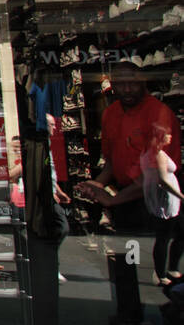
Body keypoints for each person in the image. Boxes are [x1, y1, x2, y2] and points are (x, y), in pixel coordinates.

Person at [77, 63, 180, 233]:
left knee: (149, 253)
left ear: (143, 83)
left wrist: (112, 200)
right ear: (112, 85)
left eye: (132, 83)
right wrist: (95, 185)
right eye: (120, 84)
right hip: (125, 200)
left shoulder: (158, 113)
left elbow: (154, 177)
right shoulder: (110, 113)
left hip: (154, 200)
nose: (127, 89)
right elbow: (111, 164)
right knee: (129, 254)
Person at [140, 122, 184, 285]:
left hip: (162, 198)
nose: (171, 137)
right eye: (168, 134)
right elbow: (163, 180)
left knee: (175, 233)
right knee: (164, 237)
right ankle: (161, 274)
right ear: (160, 137)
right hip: (165, 200)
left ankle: (170, 269)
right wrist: (181, 196)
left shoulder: (148, 152)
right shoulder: (157, 154)